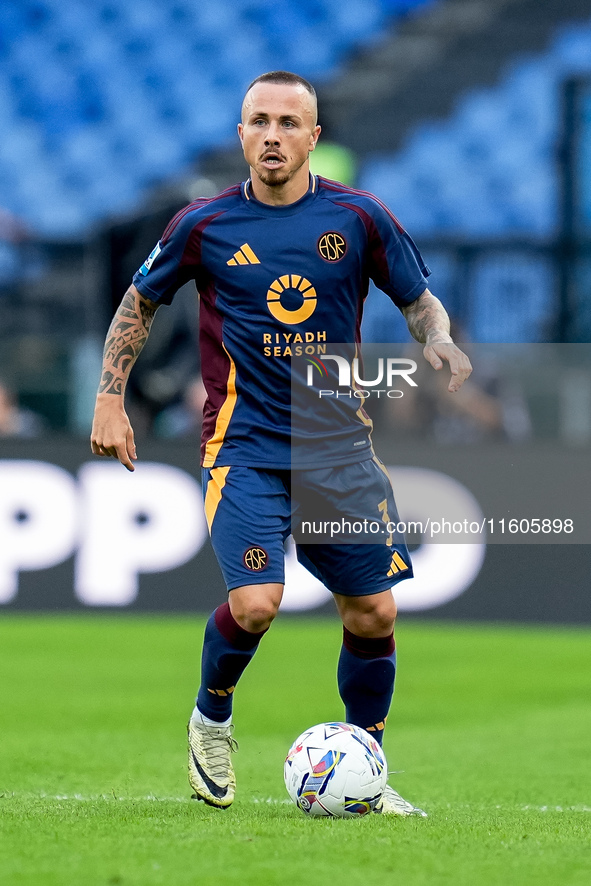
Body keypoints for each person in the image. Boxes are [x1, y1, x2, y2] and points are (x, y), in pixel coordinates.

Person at [90, 71, 472, 816]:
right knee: (259, 602)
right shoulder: (201, 225)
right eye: (258, 121)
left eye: (288, 123)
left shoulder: (359, 218)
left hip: (339, 456)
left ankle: (366, 765)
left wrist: (440, 340)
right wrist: (110, 396)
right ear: (241, 135)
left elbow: (417, 298)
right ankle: (212, 717)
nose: (272, 135)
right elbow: (141, 301)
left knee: (373, 616)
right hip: (246, 450)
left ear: (313, 138)